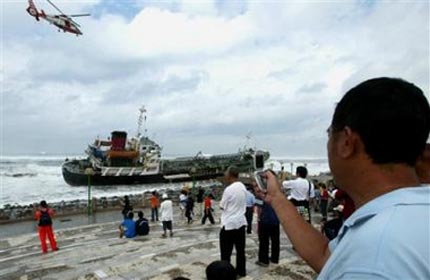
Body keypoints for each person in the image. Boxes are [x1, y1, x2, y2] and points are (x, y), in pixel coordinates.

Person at [257, 77, 430, 279]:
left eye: (330, 134)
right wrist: (277, 198)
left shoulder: (373, 259)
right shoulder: (412, 213)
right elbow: (326, 257)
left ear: (347, 142)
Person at [219, 166, 247, 277]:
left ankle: (226, 274)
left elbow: (222, 206)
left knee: (226, 253)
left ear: (230, 175)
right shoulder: (242, 186)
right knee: (240, 251)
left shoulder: (229, 189)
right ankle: (241, 271)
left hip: (229, 224)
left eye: (226, 173)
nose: (225, 175)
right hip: (240, 223)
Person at [255, 200, 280, 267]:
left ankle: (264, 260)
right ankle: (275, 258)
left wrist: (259, 218)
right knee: (275, 240)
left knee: (264, 241)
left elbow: (259, 209)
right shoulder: (276, 195)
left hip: (265, 220)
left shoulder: (260, 196)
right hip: (275, 220)